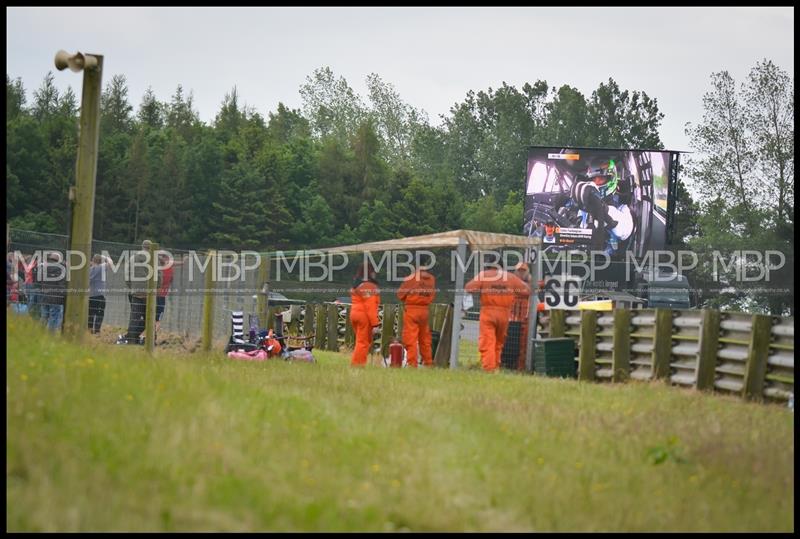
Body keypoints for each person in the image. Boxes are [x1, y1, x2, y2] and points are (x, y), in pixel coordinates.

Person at [464, 262, 531, 372]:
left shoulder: (484, 275)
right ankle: (495, 367)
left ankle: (489, 369)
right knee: (498, 343)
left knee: (487, 342)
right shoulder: (510, 277)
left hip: (488, 312)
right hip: (504, 314)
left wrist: (482, 288)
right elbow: (527, 291)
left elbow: (469, 288)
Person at [396, 263, 437, 368]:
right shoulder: (432, 279)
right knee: (425, 339)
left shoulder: (411, 278)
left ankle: (412, 363)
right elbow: (432, 296)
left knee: (411, 339)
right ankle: (428, 363)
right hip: (424, 311)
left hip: (412, 310)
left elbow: (400, 294)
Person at [349, 264, 380, 367]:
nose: (375, 274)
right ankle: (357, 365)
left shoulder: (357, 284)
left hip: (354, 314)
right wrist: (375, 324)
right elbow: (370, 306)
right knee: (363, 343)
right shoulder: (369, 286)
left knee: (359, 341)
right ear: (370, 272)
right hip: (364, 316)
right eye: (374, 272)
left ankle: (356, 362)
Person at [36, 251, 67, 332]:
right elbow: (62, 285)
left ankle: (39, 333)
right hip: (55, 297)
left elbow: (38, 282)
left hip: (44, 295)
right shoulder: (61, 270)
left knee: (44, 315)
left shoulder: (43, 268)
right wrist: (64, 295)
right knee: (54, 316)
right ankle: (51, 335)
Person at [88, 254, 112, 334]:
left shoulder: (89, 270)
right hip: (99, 295)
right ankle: (97, 331)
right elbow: (110, 263)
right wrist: (105, 257)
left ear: (92, 260)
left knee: (90, 313)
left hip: (90, 295)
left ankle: (89, 330)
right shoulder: (101, 267)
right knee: (99, 313)